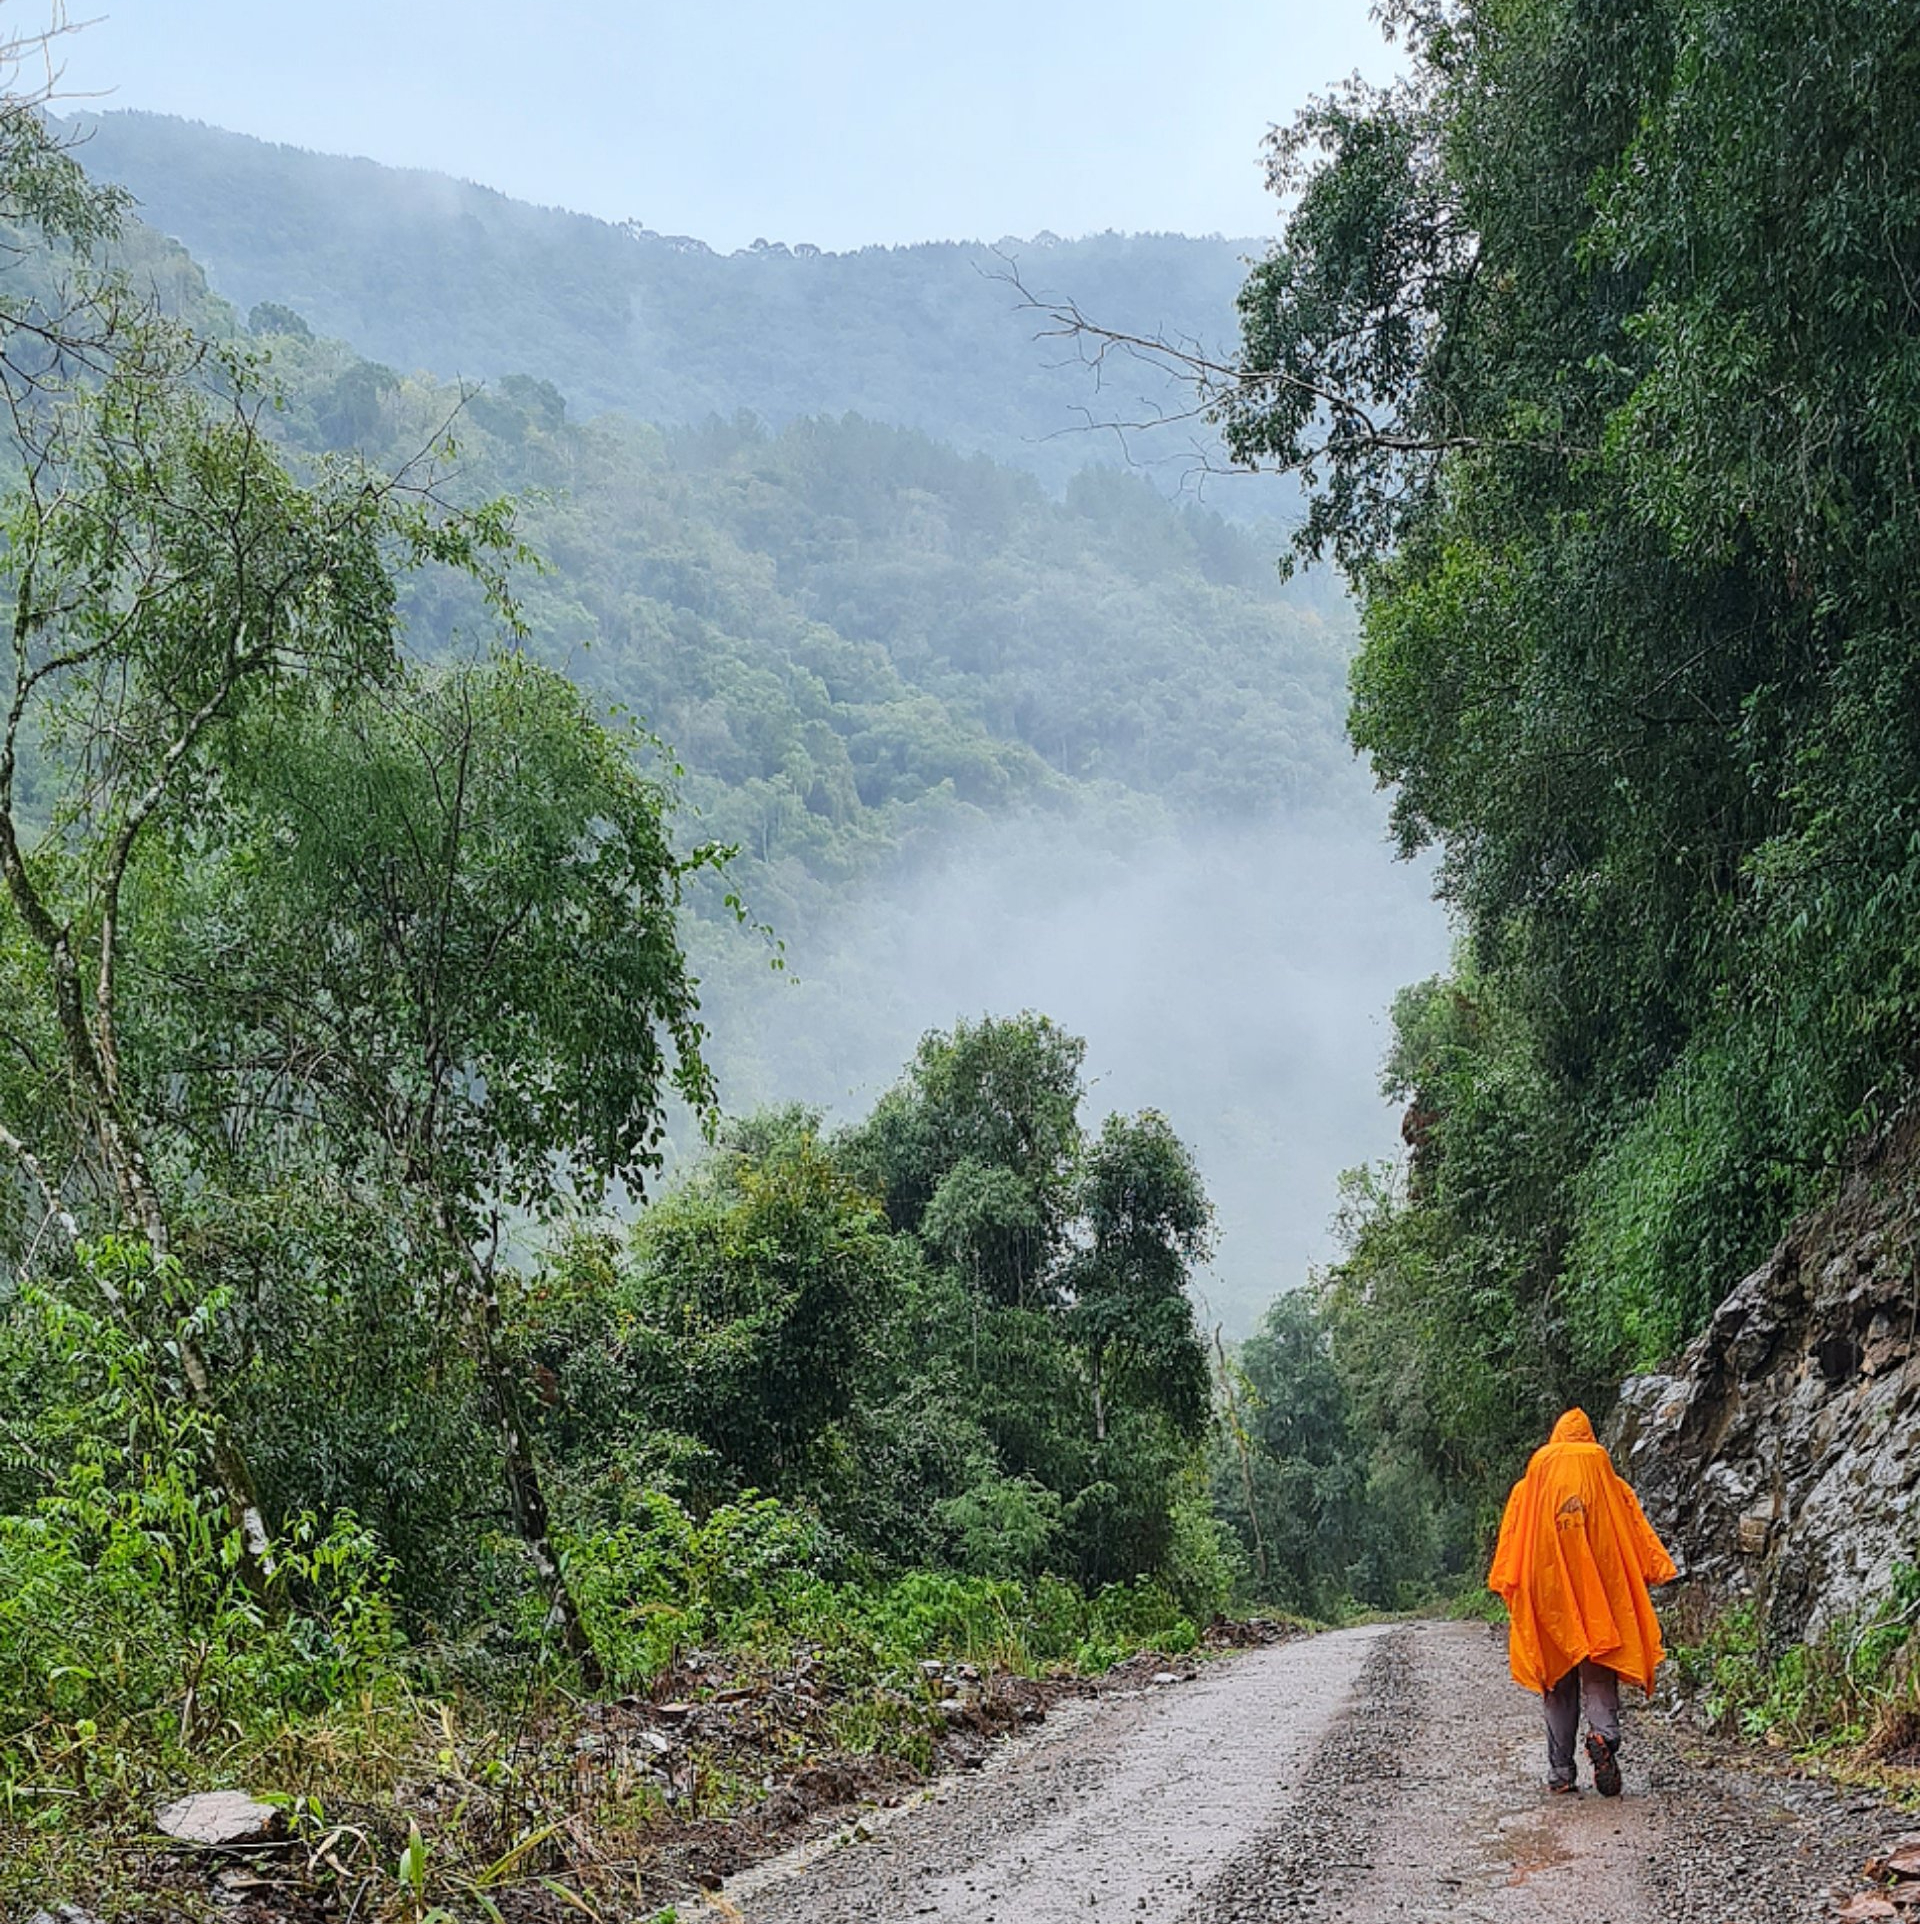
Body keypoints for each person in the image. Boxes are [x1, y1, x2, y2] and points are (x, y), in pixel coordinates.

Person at [1487, 1408, 1677, 1796]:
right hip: (1601, 1591)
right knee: (1599, 1669)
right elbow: (1634, 1527)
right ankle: (1604, 1738)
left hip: (1548, 1591)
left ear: (1556, 1437)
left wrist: (1511, 1584)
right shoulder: (1605, 1475)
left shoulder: (1532, 1480)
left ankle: (1560, 1773)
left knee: (1556, 1682)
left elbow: (1511, 1542)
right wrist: (1653, 1567)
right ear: (1588, 1437)